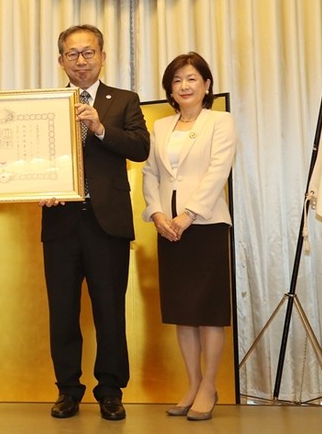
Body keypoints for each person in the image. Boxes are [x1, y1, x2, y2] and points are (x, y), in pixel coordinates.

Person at [40, 24, 150, 421]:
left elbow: (140, 148)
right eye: (72, 54)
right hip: (60, 222)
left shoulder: (123, 100)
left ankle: (110, 390)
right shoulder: (46, 103)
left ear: (103, 56)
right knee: (63, 312)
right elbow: (30, 158)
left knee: (109, 311)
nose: (81, 61)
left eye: (88, 53)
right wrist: (39, 183)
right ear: (61, 61)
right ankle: (67, 390)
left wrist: (100, 127)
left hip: (108, 224)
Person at [141, 52, 236, 422]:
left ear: (207, 85)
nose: (184, 85)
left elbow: (217, 172)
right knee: (184, 312)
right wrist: (158, 213)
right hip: (169, 228)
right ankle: (192, 384)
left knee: (209, 313)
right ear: (170, 88)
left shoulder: (221, 122)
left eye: (192, 78)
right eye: (177, 80)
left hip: (207, 225)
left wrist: (188, 214)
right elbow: (150, 174)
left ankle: (210, 386)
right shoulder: (161, 127)